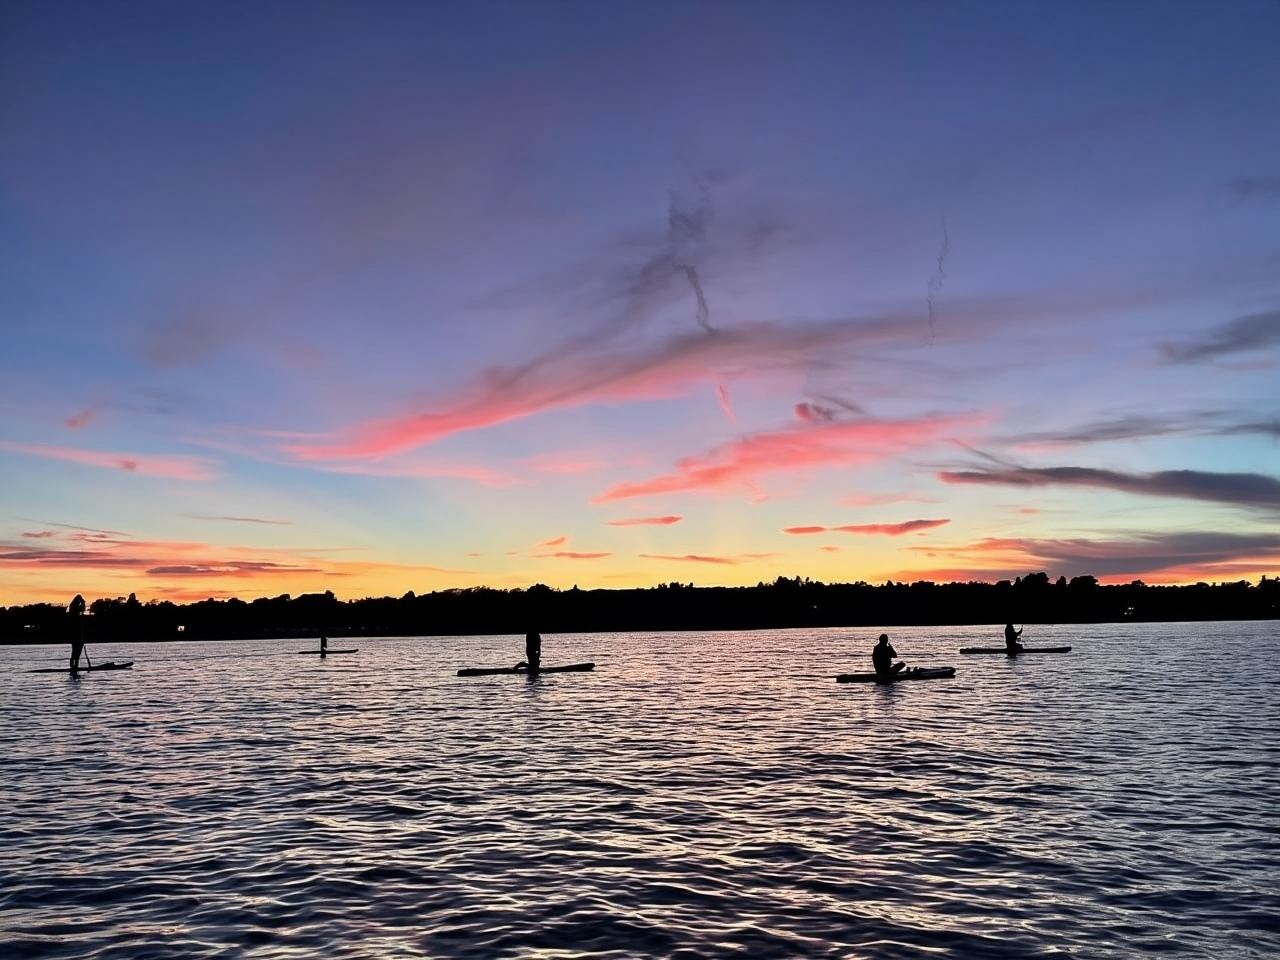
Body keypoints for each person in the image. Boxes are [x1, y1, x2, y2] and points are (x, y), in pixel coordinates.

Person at [68, 594, 87, 672]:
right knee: (77, 647)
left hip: (76, 630)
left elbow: (82, 610)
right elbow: (82, 609)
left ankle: (74, 664)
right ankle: (74, 664)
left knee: (76, 648)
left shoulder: (73, 606)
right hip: (76, 630)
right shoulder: (74, 607)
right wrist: (83, 603)